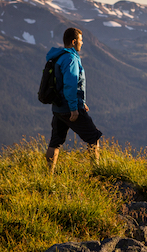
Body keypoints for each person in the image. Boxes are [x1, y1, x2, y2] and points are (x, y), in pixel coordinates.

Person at [44, 27, 103, 174]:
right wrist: (74, 107)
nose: (82, 44)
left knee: (55, 142)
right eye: (81, 41)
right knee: (93, 137)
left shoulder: (59, 56)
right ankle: (97, 173)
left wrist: (81, 102)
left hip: (58, 107)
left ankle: (48, 176)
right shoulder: (71, 59)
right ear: (74, 41)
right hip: (69, 108)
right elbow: (70, 84)